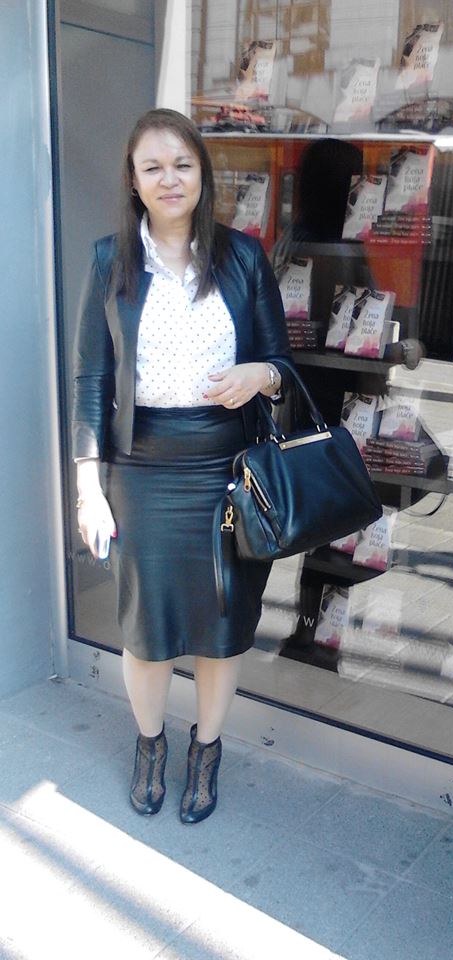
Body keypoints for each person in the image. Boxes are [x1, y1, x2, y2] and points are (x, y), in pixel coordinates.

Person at [73, 108, 292, 823]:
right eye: (153, 167)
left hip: (227, 471)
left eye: (182, 165)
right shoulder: (110, 260)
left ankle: (207, 748)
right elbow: (91, 381)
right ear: (134, 181)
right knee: (146, 630)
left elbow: (282, 363)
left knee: (222, 627)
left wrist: (260, 374)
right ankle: (149, 744)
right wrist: (87, 487)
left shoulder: (243, 257)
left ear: (202, 173)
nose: (169, 179)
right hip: (139, 471)